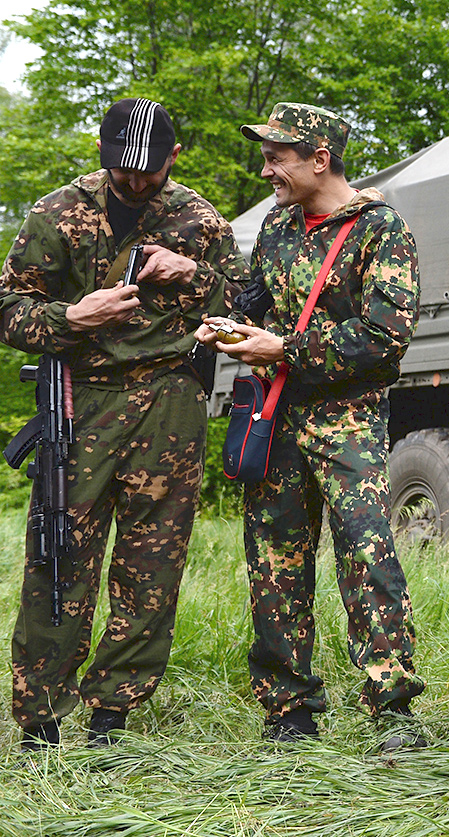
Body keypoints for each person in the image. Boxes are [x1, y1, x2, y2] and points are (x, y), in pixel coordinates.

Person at [1, 98, 247, 749]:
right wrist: (69, 319)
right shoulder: (57, 213)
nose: (135, 182)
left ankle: (114, 711)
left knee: (152, 563)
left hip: (170, 400)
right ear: (102, 154)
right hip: (82, 397)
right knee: (60, 552)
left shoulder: (199, 219)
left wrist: (194, 273)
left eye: (148, 170)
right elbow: (8, 308)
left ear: (174, 156)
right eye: (121, 168)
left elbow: (250, 304)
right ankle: (41, 716)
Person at [194, 102, 425, 748]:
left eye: (278, 155)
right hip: (277, 416)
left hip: (347, 422)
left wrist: (285, 350)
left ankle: (394, 710)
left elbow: (384, 338)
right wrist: (228, 327)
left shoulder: (382, 231)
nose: (266, 167)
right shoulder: (275, 227)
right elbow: (255, 299)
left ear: (319, 159)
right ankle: (288, 711)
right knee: (273, 564)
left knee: (367, 556)